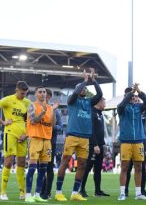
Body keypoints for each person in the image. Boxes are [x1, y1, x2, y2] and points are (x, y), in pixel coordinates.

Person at [54, 68, 103, 202]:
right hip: (72, 136)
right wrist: (84, 81)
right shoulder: (72, 100)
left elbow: (100, 94)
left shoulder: (89, 102)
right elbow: (76, 92)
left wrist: (94, 81)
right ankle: (58, 192)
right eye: (82, 88)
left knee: (82, 164)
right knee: (64, 162)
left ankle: (75, 192)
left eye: (86, 89)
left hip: (85, 138)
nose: (84, 90)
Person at [0, 81, 30, 201]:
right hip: (10, 134)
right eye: (21, 93)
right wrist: (2, 122)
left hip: (23, 136)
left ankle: (23, 192)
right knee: (8, 162)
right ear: (16, 90)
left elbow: (30, 121)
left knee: (21, 164)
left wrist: (26, 134)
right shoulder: (8, 99)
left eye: (25, 93)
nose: (23, 95)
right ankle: (3, 192)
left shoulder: (28, 103)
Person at [117, 84, 146, 201]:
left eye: (134, 96)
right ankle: (122, 193)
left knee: (139, 167)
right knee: (124, 167)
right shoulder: (121, 108)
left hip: (138, 141)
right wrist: (131, 92)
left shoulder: (139, 107)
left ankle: (138, 193)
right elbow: (122, 103)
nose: (133, 98)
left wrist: (139, 92)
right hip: (126, 142)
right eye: (131, 96)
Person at [25, 86, 58, 202]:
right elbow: (33, 121)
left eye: (44, 92)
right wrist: (43, 112)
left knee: (43, 170)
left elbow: (53, 124)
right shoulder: (32, 105)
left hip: (47, 140)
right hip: (35, 139)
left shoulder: (49, 107)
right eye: (40, 92)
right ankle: (28, 195)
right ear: (35, 94)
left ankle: (37, 194)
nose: (43, 94)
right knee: (32, 168)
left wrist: (53, 110)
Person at [80, 97, 110, 197]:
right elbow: (91, 130)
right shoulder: (92, 113)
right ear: (99, 102)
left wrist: (102, 143)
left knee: (98, 168)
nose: (105, 104)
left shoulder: (100, 114)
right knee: (87, 167)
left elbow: (99, 131)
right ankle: (81, 190)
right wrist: (95, 145)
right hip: (93, 146)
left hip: (100, 145)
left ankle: (97, 191)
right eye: (104, 101)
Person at [124, 108, 146, 197]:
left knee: (142, 167)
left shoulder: (142, 110)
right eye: (134, 97)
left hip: (142, 141)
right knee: (128, 167)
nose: (136, 99)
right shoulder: (127, 109)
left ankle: (142, 190)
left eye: (137, 98)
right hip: (129, 140)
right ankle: (125, 190)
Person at [40, 88, 63, 199]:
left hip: (51, 142)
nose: (43, 97)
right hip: (38, 141)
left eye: (45, 95)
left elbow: (60, 127)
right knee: (39, 168)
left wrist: (49, 127)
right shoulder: (36, 108)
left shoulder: (55, 111)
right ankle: (41, 190)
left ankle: (47, 192)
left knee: (48, 167)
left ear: (48, 97)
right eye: (41, 94)